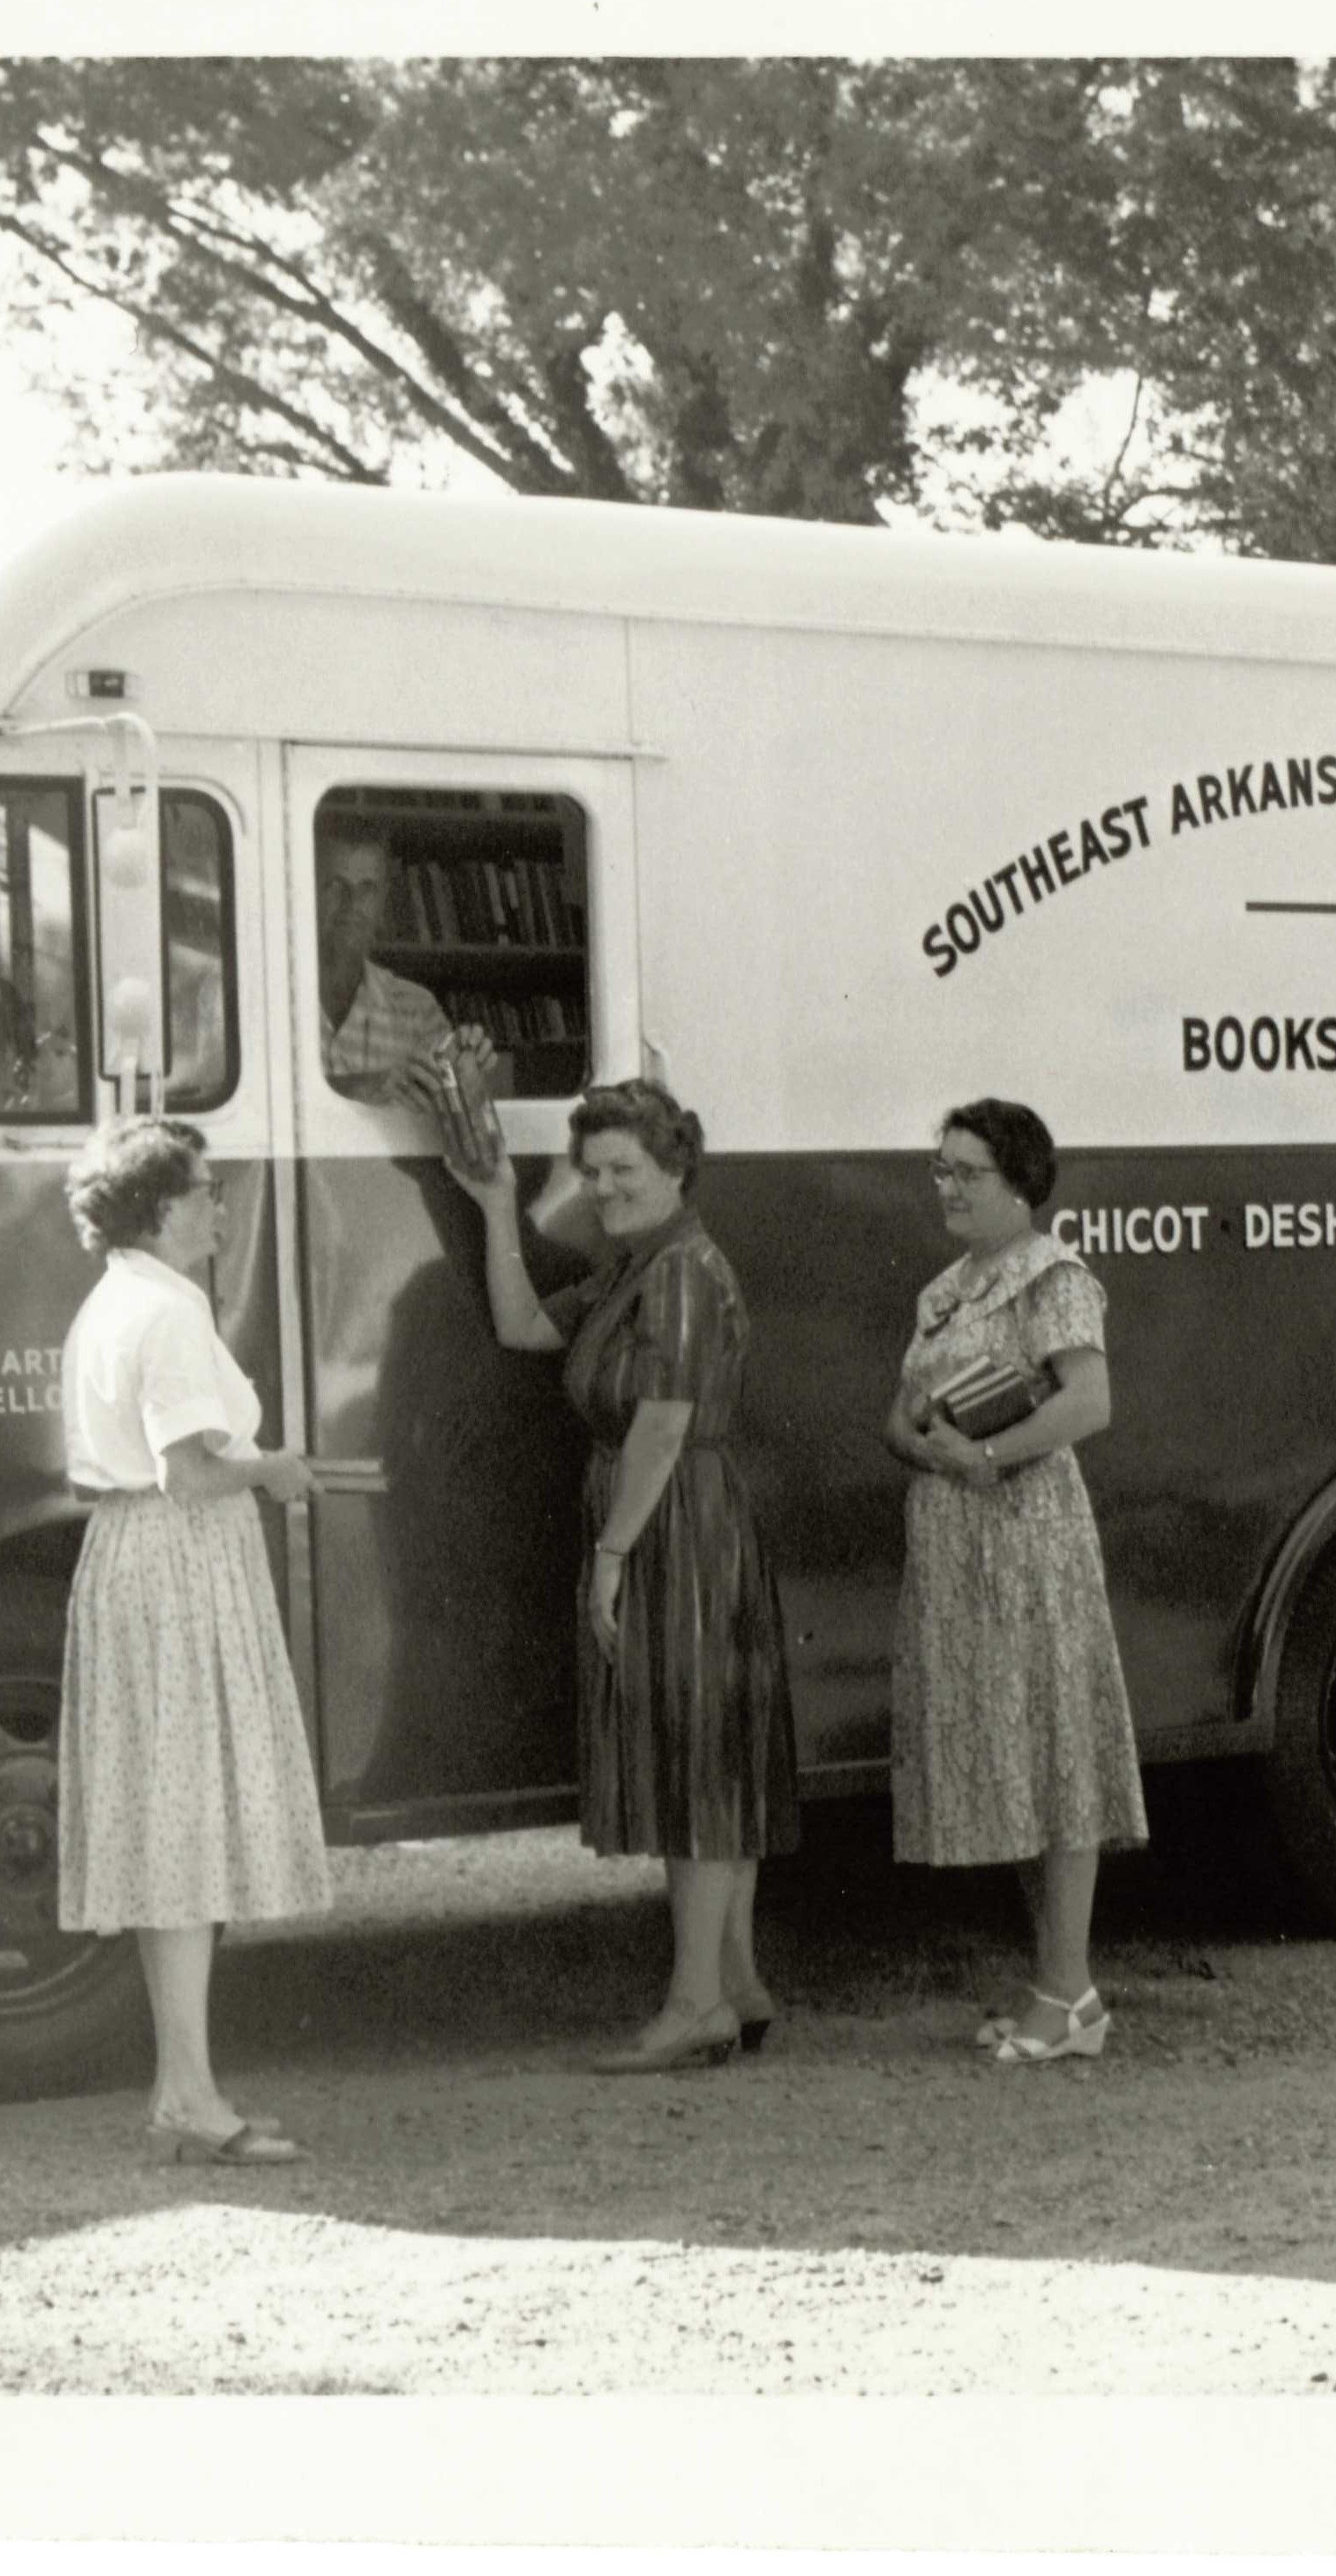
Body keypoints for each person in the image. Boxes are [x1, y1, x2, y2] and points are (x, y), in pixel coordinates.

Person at [448, 1078, 798, 2072]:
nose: (604, 1188)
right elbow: (523, 1327)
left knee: (696, 1762)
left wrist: (610, 1555)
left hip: (675, 1518)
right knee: (712, 1755)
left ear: (677, 1166)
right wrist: (491, 1203)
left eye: (625, 1170)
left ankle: (694, 2004)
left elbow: (664, 1420)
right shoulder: (639, 1265)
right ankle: (732, 1983)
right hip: (681, 1516)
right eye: (591, 1170)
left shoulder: (680, 1270)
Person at [50, 1116, 331, 2162]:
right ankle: (190, 2095)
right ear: (163, 1208)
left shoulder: (114, 1301)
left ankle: (186, 2090)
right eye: (206, 1192)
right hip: (178, 1558)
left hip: (133, 1559)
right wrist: (276, 1467)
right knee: (185, 1828)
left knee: (176, 1831)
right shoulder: (167, 1311)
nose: (221, 1207)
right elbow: (190, 1472)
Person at [882, 1098, 1149, 2064]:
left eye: (967, 1172)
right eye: (939, 1168)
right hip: (958, 1545)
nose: (946, 1186)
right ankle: (1058, 1989)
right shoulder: (945, 1290)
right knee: (1015, 1761)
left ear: (1022, 1182)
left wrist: (984, 1458)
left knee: (1054, 1749)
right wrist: (921, 1439)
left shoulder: (1056, 1276)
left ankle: (1069, 1991)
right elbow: (899, 1416)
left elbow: (1090, 1399)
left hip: (1029, 1541)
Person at [312, 820, 455, 1101]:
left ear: (383, 900)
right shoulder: (269, 1003)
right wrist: (356, 1087)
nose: (352, 904)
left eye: (367, 889)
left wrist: (469, 1074)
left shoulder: (418, 1012)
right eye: (335, 886)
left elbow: (456, 1114)